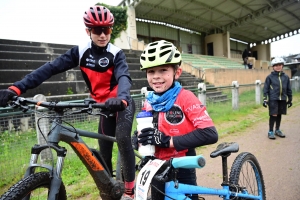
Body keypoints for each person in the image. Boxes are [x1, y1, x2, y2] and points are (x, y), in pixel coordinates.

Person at [0, 6, 136, 199]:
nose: (103, 34)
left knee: (122, 139)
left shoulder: (116, 53)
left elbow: (124, 77)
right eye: (97, 30)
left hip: (121, 103)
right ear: (88, 31)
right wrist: (16, 88)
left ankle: (130, 191)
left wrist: (122, 98)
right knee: (103, 155)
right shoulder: (81, 52)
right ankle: (109, 192)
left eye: (107, 29)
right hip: (102, 106)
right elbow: (49, 69)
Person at [135, 40, 219, 199]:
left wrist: (167, 141)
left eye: (163, 70)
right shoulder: (149, 101)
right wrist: (139, 138)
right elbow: (149, 131)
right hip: (155, 165)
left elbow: (210, 134)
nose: (156, 77)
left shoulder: (186, 98)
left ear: (177, 72)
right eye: (151, 71)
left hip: (182, 165)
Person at [263, 57, 292, 139]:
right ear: (273, 67)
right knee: (273, 114)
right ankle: (270, 131)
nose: (278, 67)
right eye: (276, 65)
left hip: (282, 98)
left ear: (282, 66)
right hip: (273, 99)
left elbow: (288, 89)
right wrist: (265, 99)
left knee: (279, 114)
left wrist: (290, 99)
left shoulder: (286, 77)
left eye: (279, 65)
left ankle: (277, 130)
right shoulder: (270, 77)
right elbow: (265, 89)